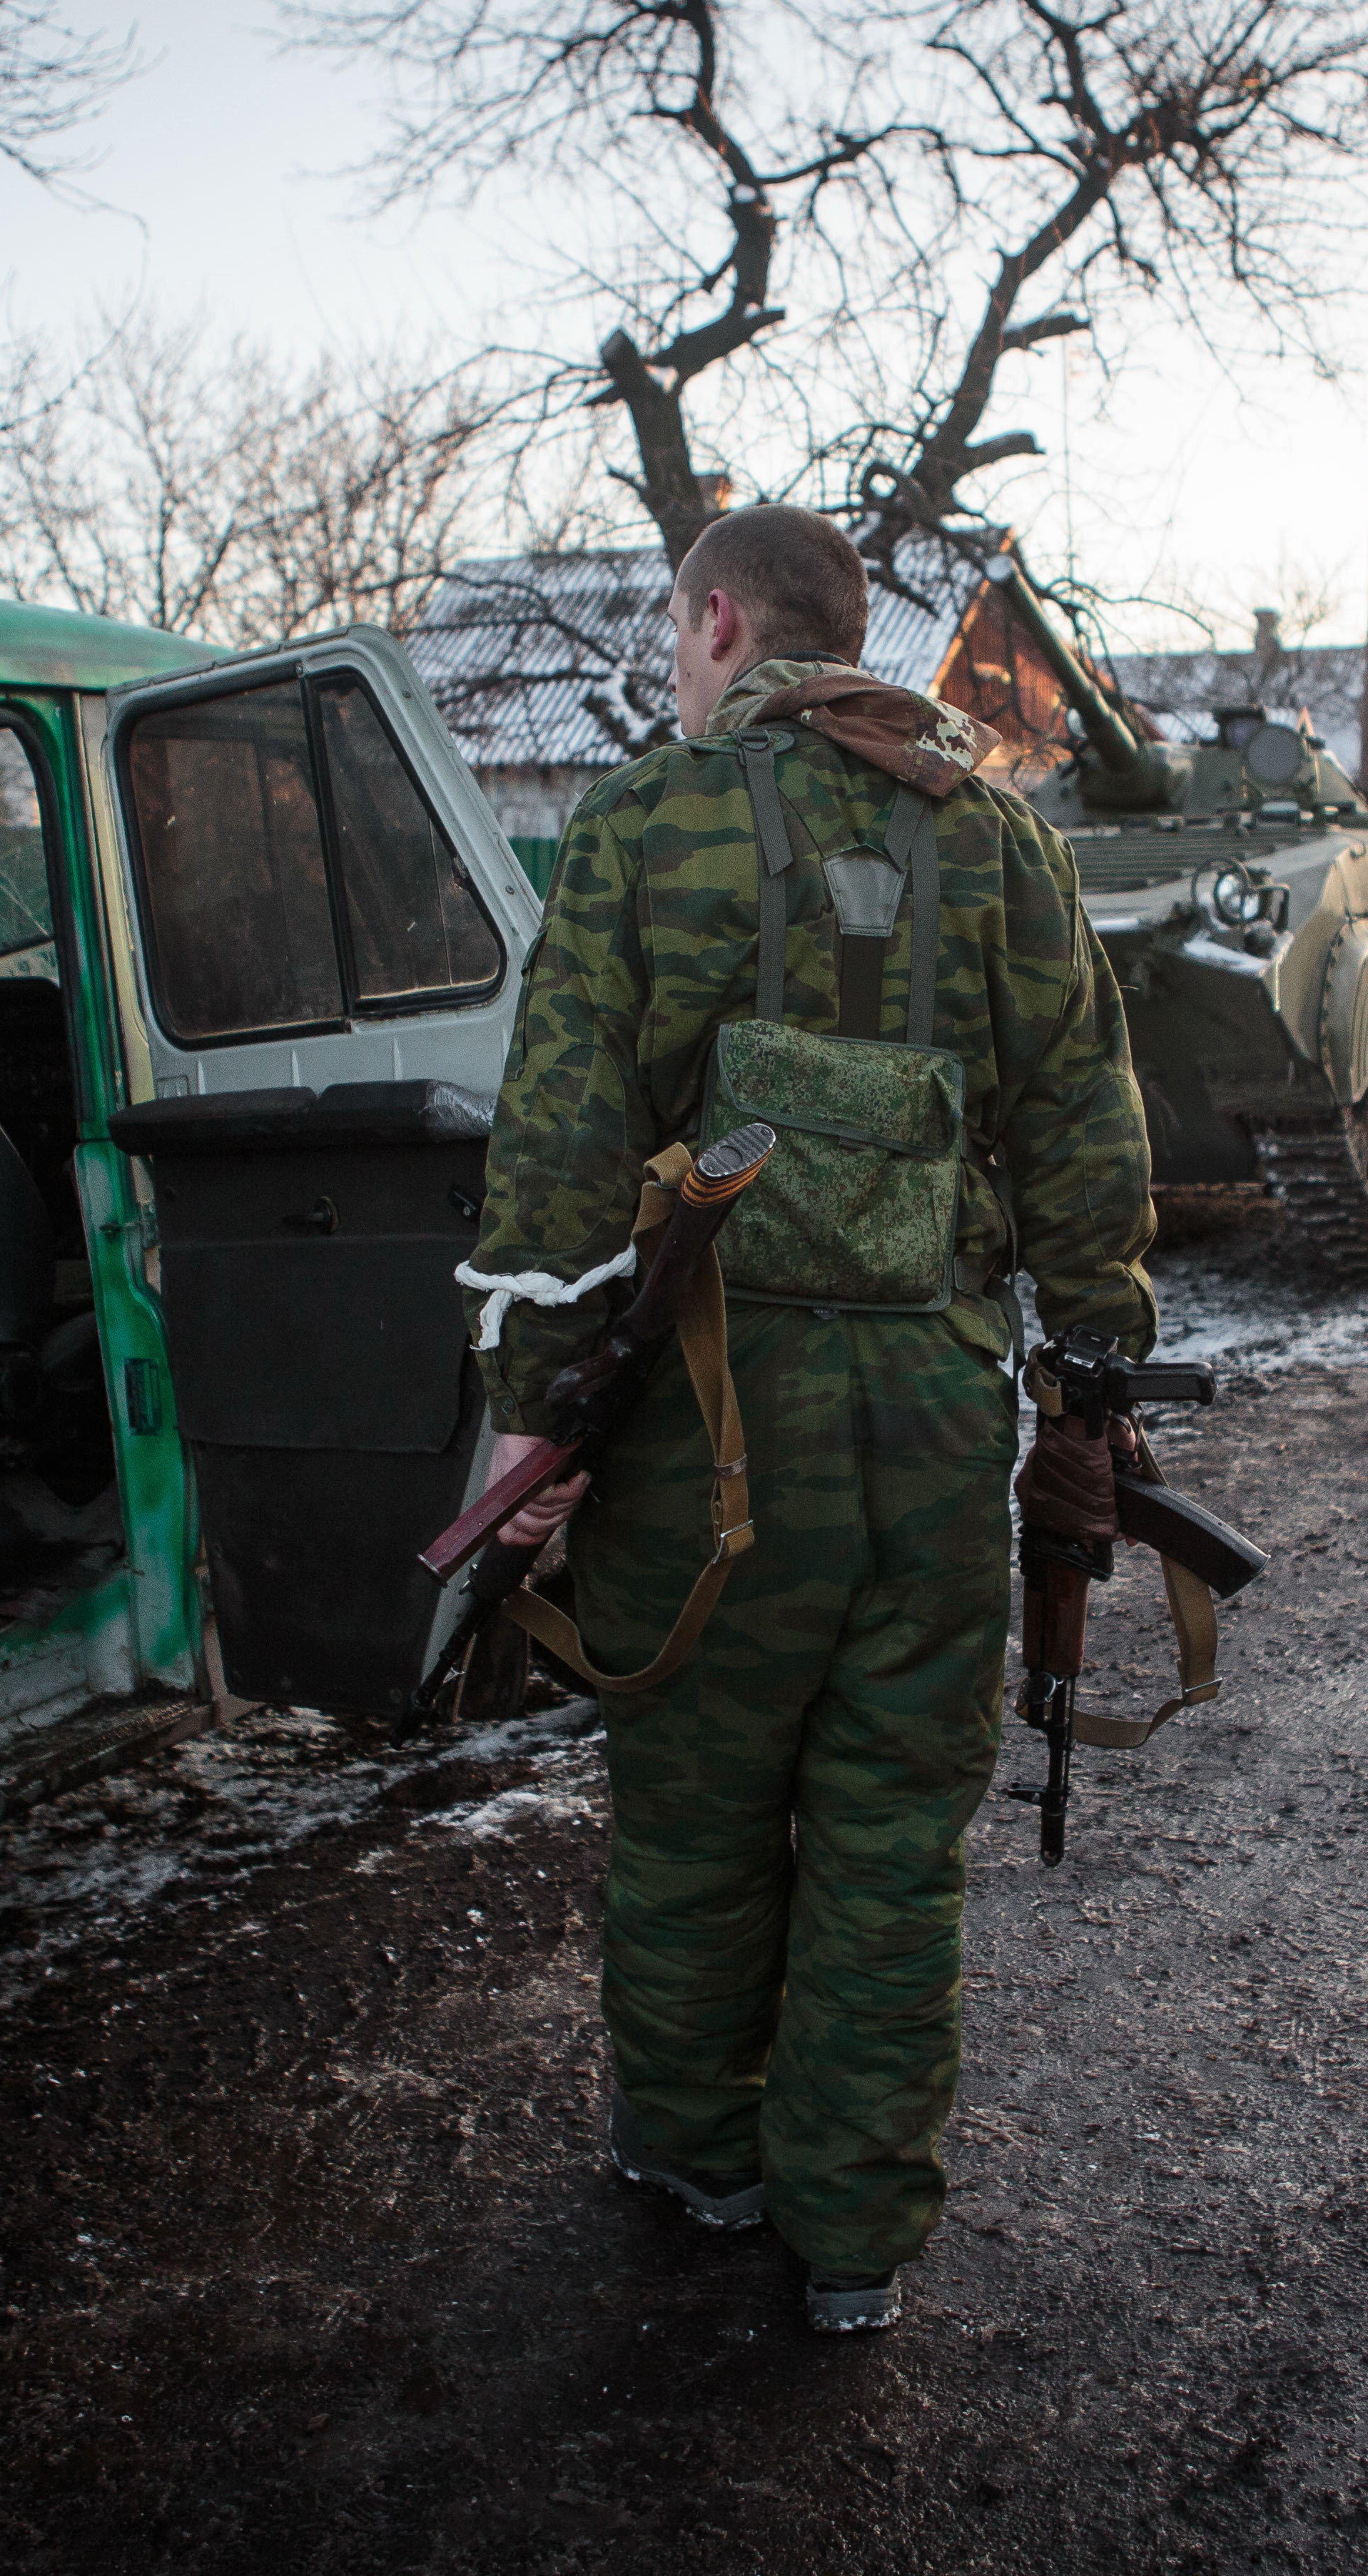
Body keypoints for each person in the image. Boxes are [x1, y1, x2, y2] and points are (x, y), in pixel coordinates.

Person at [464, 503, 1155, 2336]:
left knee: (695, 1819)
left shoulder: (644, 819)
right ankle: (852, 2245)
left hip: (710, 1440)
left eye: (675, 631)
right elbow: (1085, 1123)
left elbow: (552, 1156)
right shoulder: (996, 838)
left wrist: (538, 1431)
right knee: (885, 1843)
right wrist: (1091, 1376)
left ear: (714, 624)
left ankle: (697, 2161)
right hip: (934, 1426)